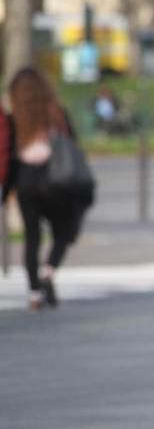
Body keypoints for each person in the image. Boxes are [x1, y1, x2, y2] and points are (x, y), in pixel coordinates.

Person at [4, 67, 93, 311]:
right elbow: (72, 146)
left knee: (32, 237)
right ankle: (49, 269)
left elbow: (9, 156)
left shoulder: (15, 119)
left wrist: (7, 189)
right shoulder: (56, 115)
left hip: (26, 182)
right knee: (63, 232)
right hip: (57, 180)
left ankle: (34, 292)